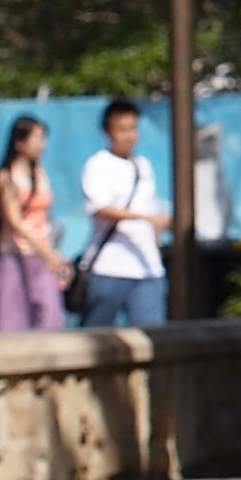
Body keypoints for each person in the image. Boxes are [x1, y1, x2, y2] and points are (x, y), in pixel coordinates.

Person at [79, 99, 171, 331]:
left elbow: (148, 206)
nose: (129, 136)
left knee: (153, 335)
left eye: (132, 128)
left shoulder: (143, 166)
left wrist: (155, 230)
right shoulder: (97, 164)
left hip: (147, 267)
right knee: (97, 336)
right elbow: (100, 207)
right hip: (110, 266)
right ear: (107, 131)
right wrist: (145, 218)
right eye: (122, 129)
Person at [0, 113, 68, 333]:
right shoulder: (5, 176)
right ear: (19, 142)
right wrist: (44, 250)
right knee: (10, 314)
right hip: (16, 252)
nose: (42, 144)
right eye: (37, 138)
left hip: (42, 253)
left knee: (49, 312)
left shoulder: (40, 173)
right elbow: (14, 221)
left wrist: (50, 250)